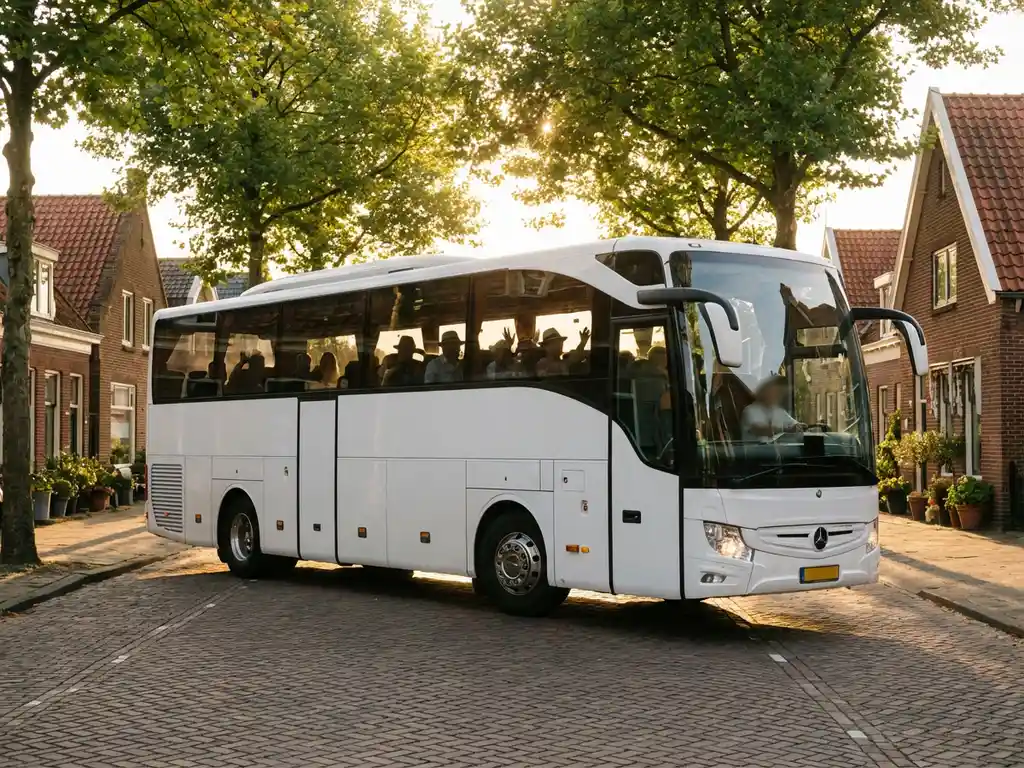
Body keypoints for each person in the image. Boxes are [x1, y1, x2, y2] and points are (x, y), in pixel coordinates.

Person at [740, 375, 804, 441]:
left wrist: (800, 426)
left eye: (781, 393)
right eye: (776, 392)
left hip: (775, 449)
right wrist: (784, 429)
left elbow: (793, 424)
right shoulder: (750, 411)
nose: (778, 396)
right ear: (764, 392)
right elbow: (759, 430)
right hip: (756, 450)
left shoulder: (778, 411)